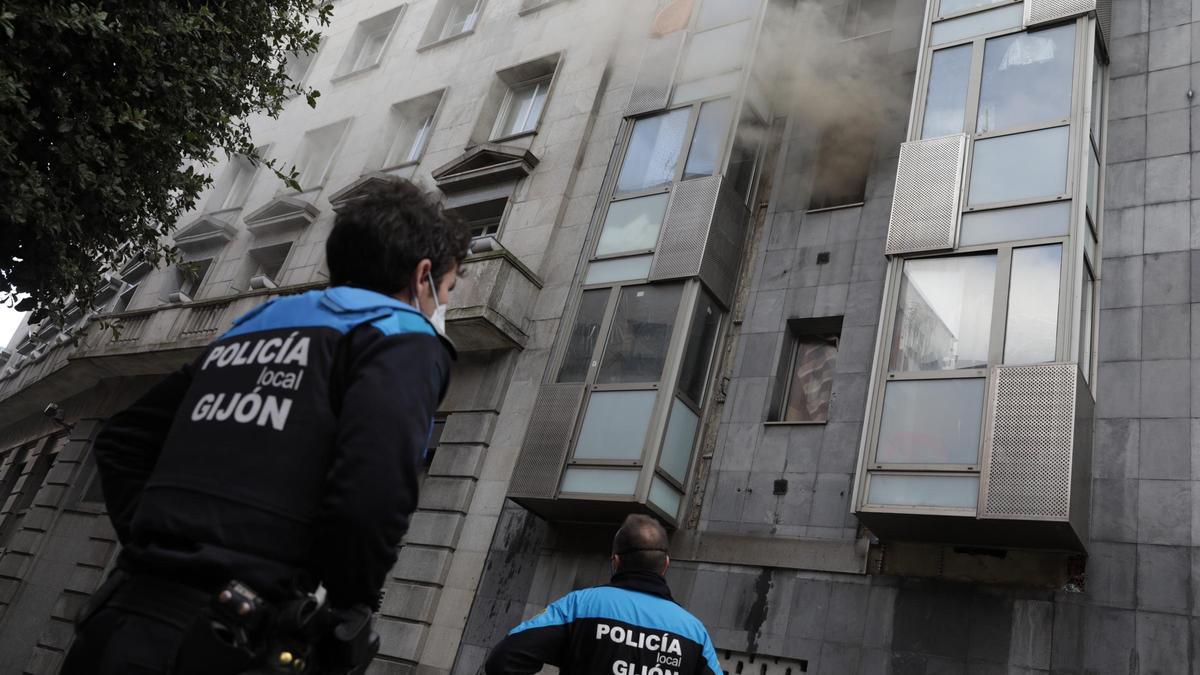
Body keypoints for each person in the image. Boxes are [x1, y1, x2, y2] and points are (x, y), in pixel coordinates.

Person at [61, 177, 471, 675]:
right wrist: (347, 612)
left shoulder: (259, 321)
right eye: (446, 289)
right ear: (422, 276)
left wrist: (157, 547)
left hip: (120, 619)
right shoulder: (400, 334)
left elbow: (124, 438)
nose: (442, 304)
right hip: (229, 643)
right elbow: (373, 490)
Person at [484, 514, 723, 675]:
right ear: (666, 564)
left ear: (616, 562)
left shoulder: (579, 606)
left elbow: (504, 658)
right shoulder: (695, 633)